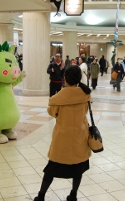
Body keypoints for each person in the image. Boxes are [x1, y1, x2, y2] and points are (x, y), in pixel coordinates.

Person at [34, 66, 92, 201]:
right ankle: (73, 195)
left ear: (65, 78)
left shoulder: (59, 97)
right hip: (80, 136)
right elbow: (85, 111)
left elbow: (52, 112)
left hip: (62, 138)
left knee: (51, 168)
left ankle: (41, 196)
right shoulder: (85, 94)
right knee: (78, 167)